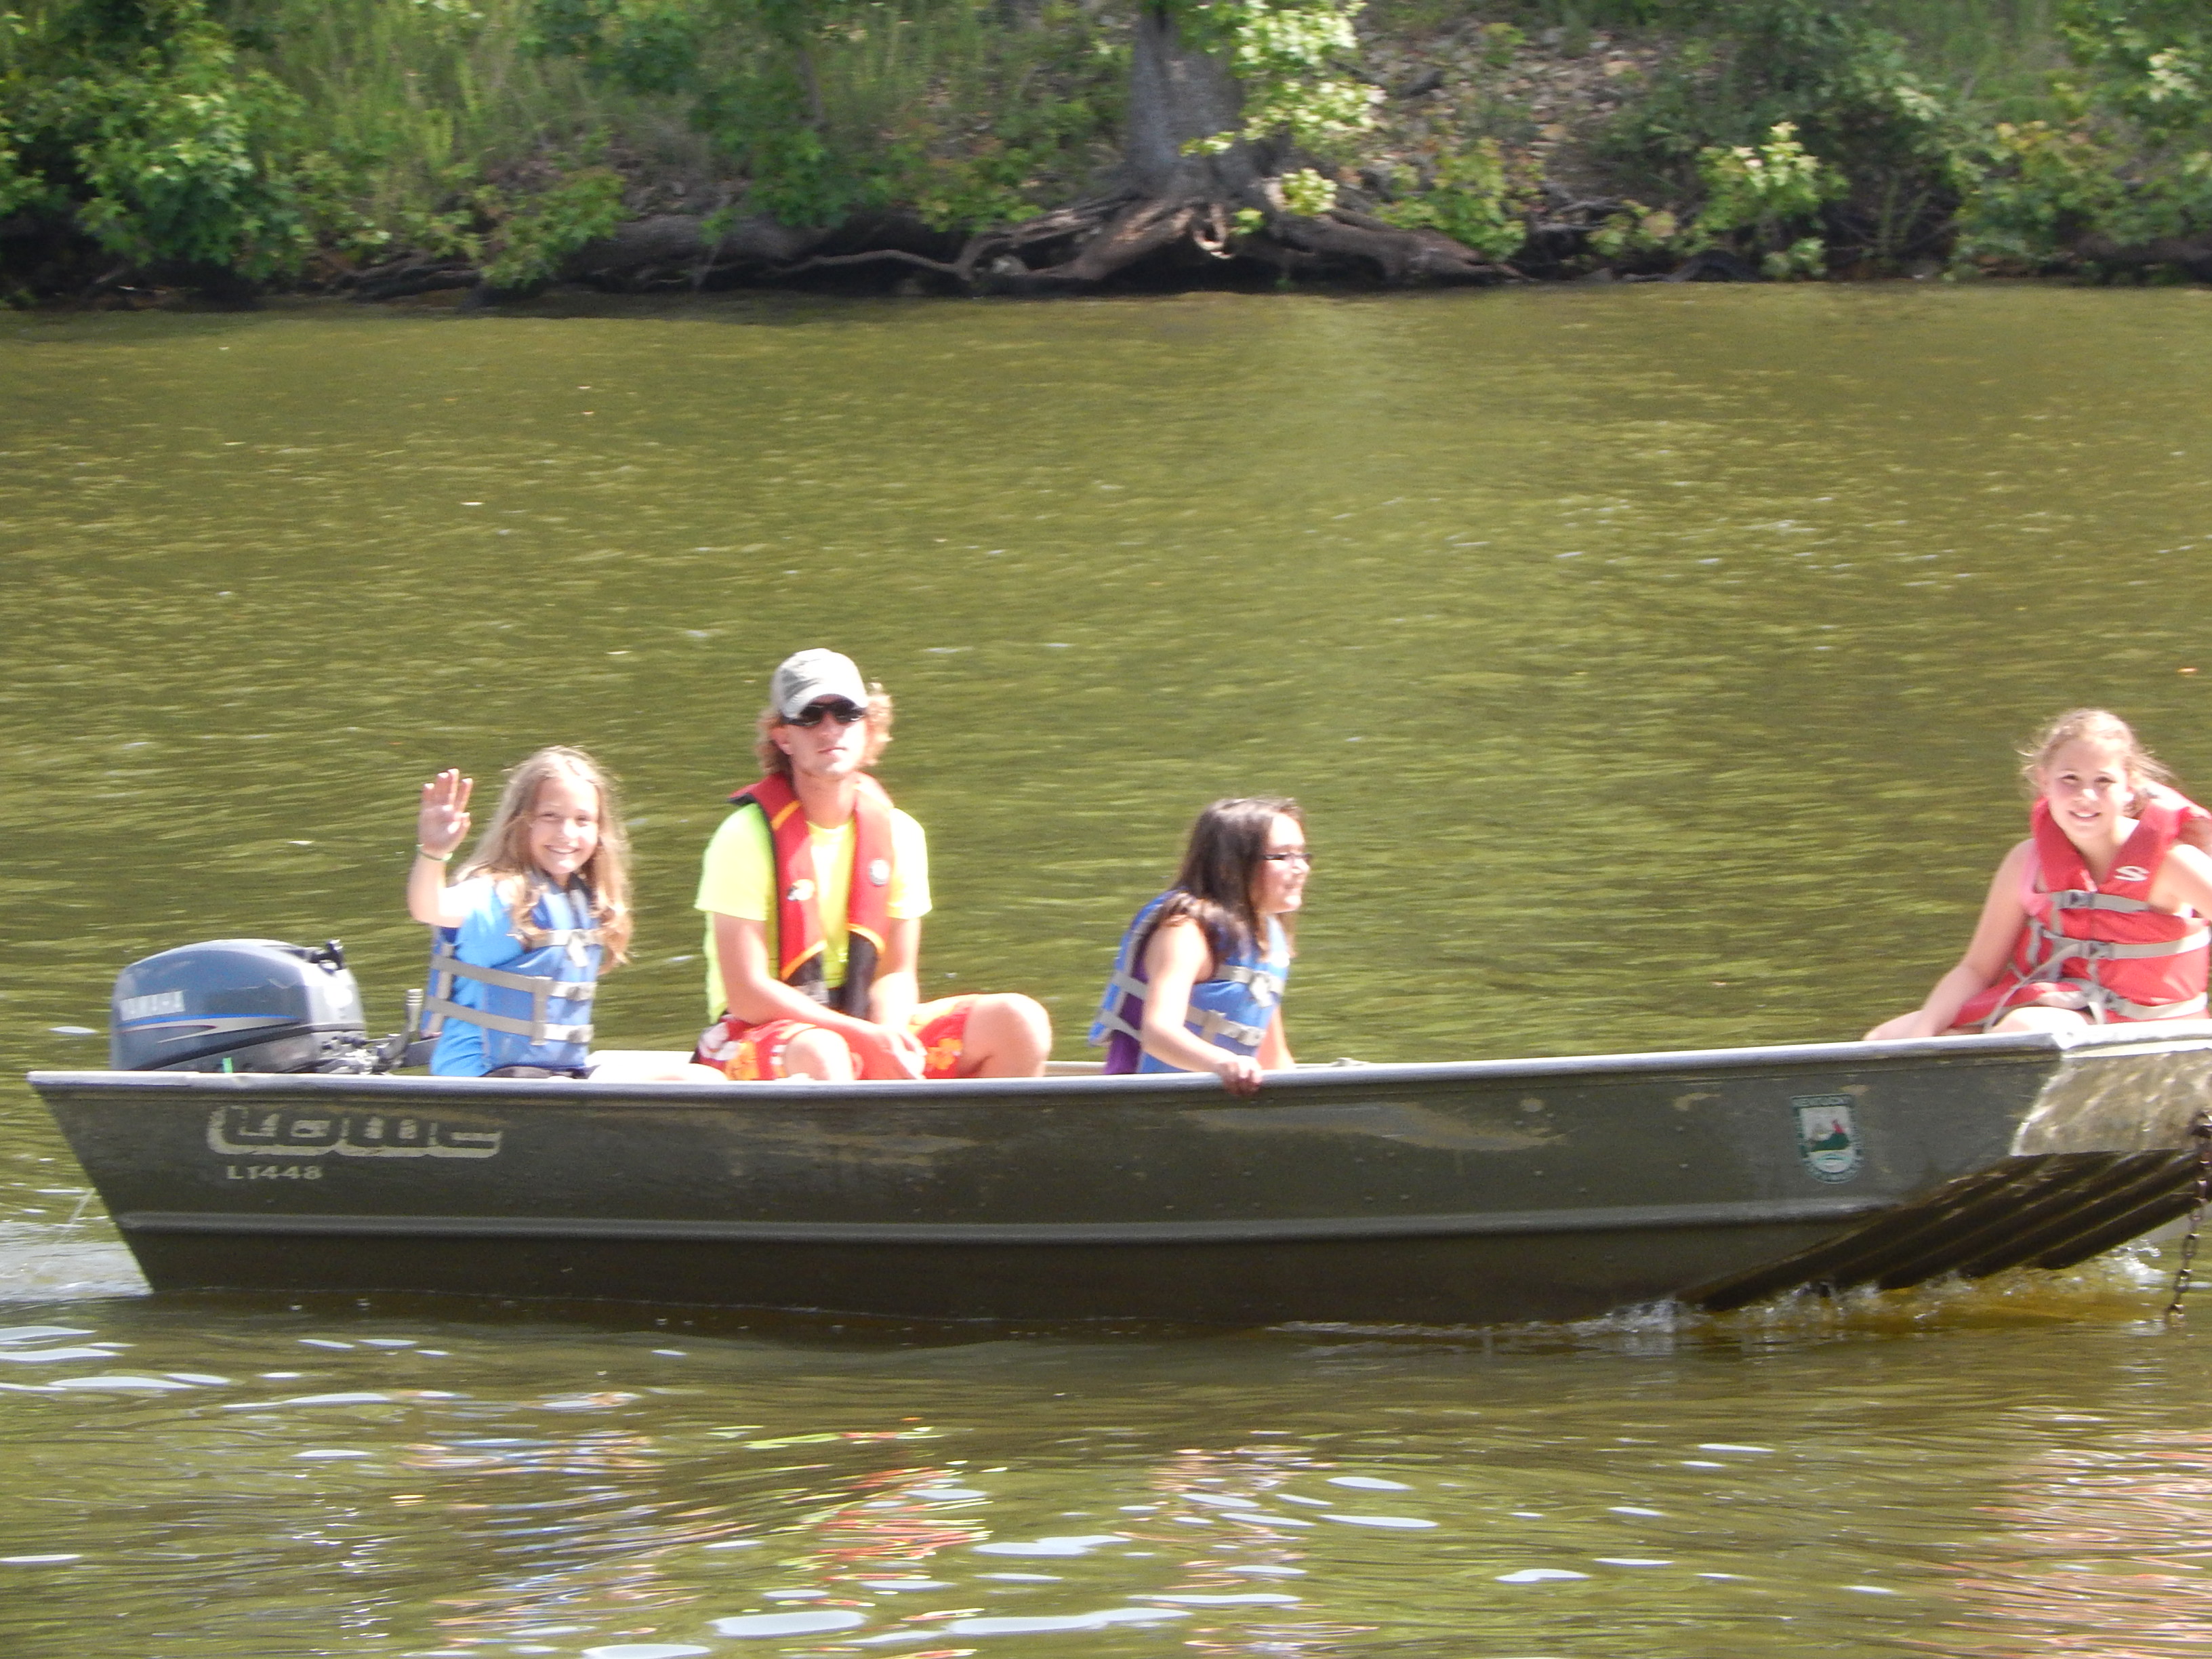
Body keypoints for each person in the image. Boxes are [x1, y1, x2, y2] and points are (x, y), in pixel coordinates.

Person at [693, 648, 1052, 1082]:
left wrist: (888, 1039)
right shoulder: (743, 838)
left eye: (846, 713)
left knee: (1020, 1022)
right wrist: (860, 1037)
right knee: (825, 1054)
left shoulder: (901, 834)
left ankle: (963, 1148)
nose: (830, 728)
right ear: (783, 736)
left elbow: (896, 974)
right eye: (810, 715)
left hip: (860, 1024)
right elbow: (748, 994)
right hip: (753, 1035)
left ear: (869, 727)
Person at [1864, 709, 2212, 1041]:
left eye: (2103, 781)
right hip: (2065, 1006)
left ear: (2129, 787)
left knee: (2023, 1029)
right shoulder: (2025, 862)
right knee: (1883, 1040)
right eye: (2069, 780)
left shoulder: (2171, 862)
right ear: (2044, 780)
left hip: (2150, 1023)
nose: (2085, 797)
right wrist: (1922, 1037)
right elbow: (1977, 970)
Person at [409, 746, 633, 1078]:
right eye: (550, 816)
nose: (566, 833)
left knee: (696, 1079)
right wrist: (434, 852)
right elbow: (429, 907)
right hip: (483, 1076)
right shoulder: (495, 894)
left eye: (582, 820)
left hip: (553, 1076)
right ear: (521, 821)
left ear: (600, 831)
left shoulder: (585, 901)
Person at [1091, 797, 1309, 1094]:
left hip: (1218, 1099)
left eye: (1302, 855)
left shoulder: (1266, 934)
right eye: (1283, 856)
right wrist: (1222, 1063)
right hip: (1146, 1099)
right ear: (1230, 865)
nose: (1300, 869)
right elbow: (1159, 1032)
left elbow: (1274, 1056)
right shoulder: (1185, 931)